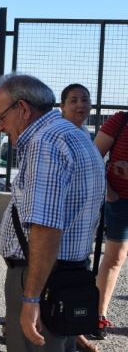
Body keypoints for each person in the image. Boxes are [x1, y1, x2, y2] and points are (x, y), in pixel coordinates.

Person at [0, 74, 105, 351]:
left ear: (23, 109)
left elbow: (45, 227)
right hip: (69, 273)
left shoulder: (45, 143)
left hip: (41, 278)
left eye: (0, 117)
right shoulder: (74, 135)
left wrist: (30, 300)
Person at [60, 83, 99, 352]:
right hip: (61, 228)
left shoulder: (84, 133)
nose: (80, 105)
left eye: (84, 100)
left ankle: (73, 333)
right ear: (62, 106)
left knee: (73, 283)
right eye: (73, 100)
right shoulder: (60, 135)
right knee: (50, 283)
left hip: (82, 228)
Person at [93, 103, 128, 340]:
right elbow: (94, 157)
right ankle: (97, 314)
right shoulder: (120, 121)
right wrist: (107, 190)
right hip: (121, 202)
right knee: (114, 258)